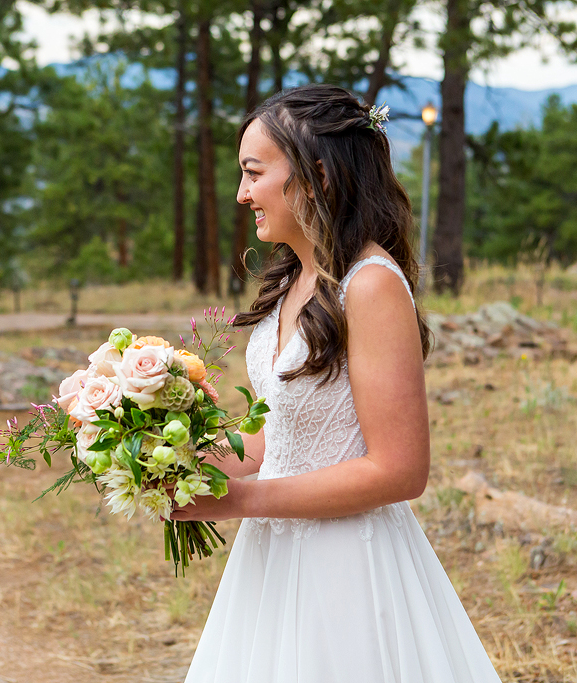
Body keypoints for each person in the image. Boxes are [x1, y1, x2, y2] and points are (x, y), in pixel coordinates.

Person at [171, 84, 502, 682]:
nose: (242, 194)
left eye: (254, 172)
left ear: (316, 174)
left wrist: (243, 500)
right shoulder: (293, 279)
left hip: (347, 564)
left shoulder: (370, 285)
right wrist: (174, 462)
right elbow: (283, 439)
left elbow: (400, 470)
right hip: (273, 560)